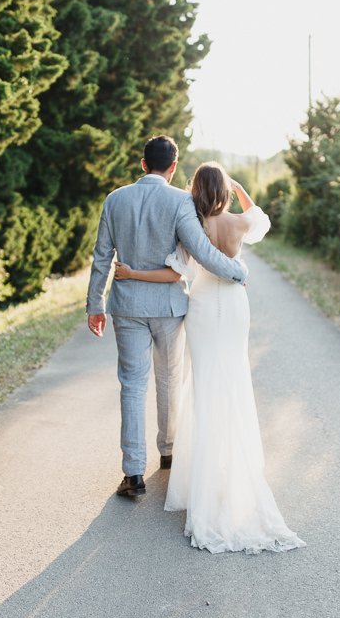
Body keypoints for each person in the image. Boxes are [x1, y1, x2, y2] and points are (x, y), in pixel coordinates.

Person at [113, 161, 305, 554]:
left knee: (203, 387)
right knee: (233, 383)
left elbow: (175, 272)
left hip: (201, 307)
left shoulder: (193, 224)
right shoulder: (238, 223)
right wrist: (239, 189)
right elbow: (262, 220)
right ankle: (231, 471)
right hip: (234, 307)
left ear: (195, 188)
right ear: (225, 190)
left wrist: (131, 273)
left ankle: (199, 472)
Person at [85, 137, 248, 499]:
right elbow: (203, 251)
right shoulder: (180, 201)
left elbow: (100, 256)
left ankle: (133, 474)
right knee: (169, 379)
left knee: (132, 385)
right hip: (169, 308)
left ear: (143, 164)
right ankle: (169, 451)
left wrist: (95, 304)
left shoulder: (115, 199)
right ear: (173, 167)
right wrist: (236, 272)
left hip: (126, 307)